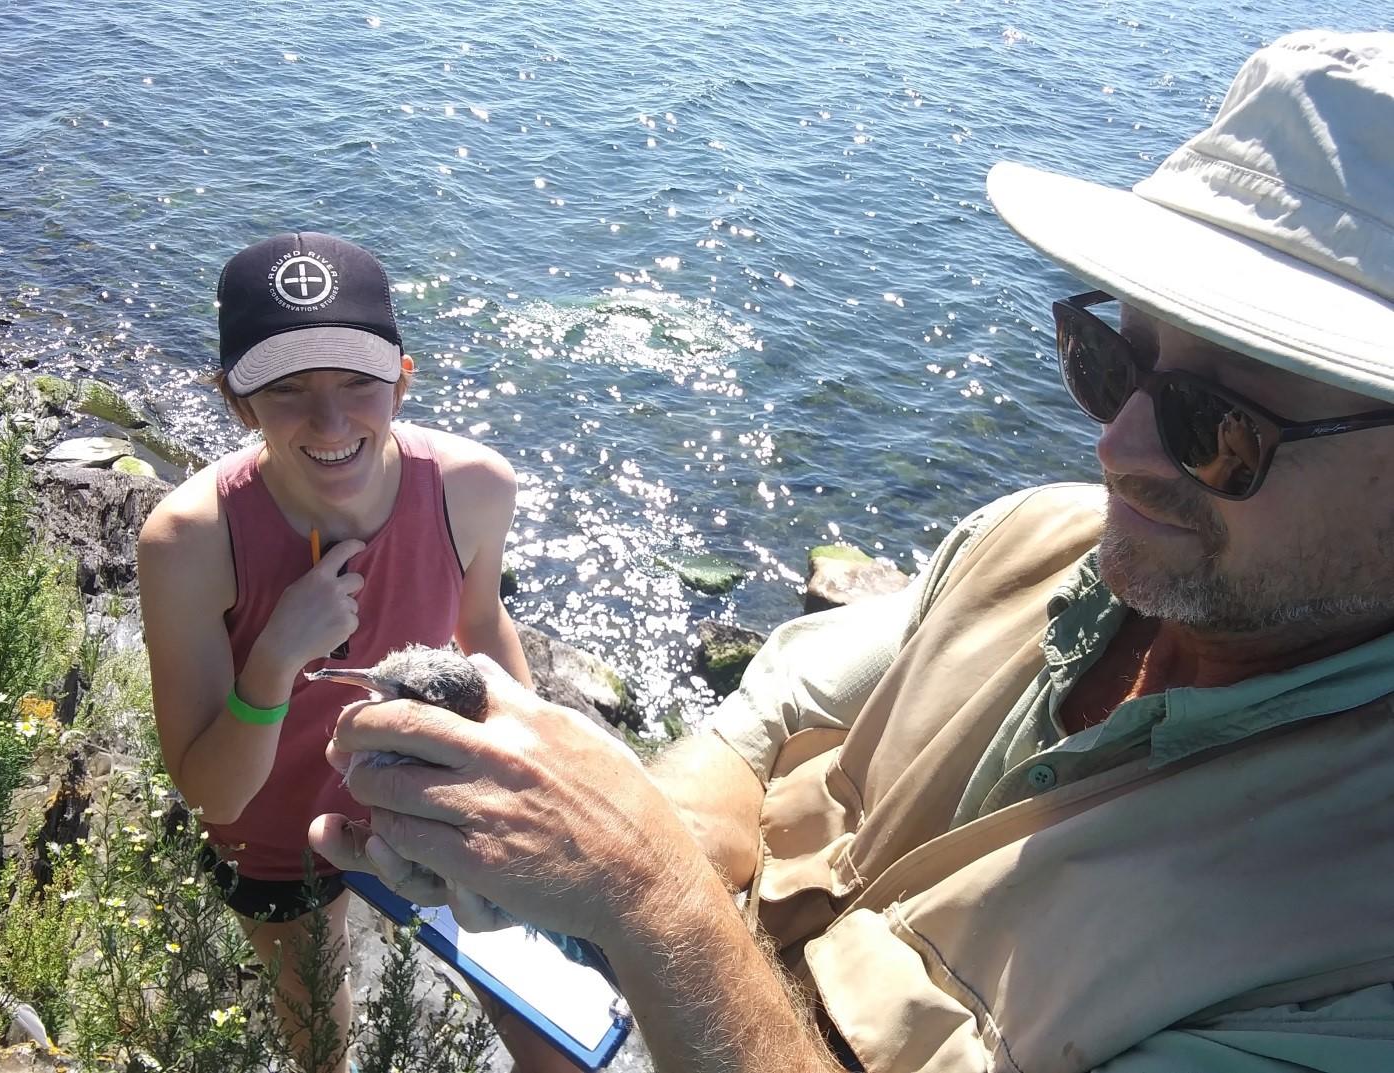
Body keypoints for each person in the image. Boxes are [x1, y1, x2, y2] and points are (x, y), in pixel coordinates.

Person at [312, 30, 1394, 1073]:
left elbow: (675, 871)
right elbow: (778, 699)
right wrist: (576, 868)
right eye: (1111, 358)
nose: (1114, 448)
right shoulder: (1027, 544)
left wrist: (648, 895)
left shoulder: (1356, 966)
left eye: (1216, 424)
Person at [137, 231, 533, 1073]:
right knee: (319, 1024)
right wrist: (276, 655)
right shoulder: (189, 543)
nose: (331, 419)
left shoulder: (473, 488)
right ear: (236, 402)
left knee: (530, 994)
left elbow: (485, 625)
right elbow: (211, 786)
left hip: (421, 802)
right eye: (286, 389)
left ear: (403, 375)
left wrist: (525, 766)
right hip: (277, 833)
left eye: (359, 381)